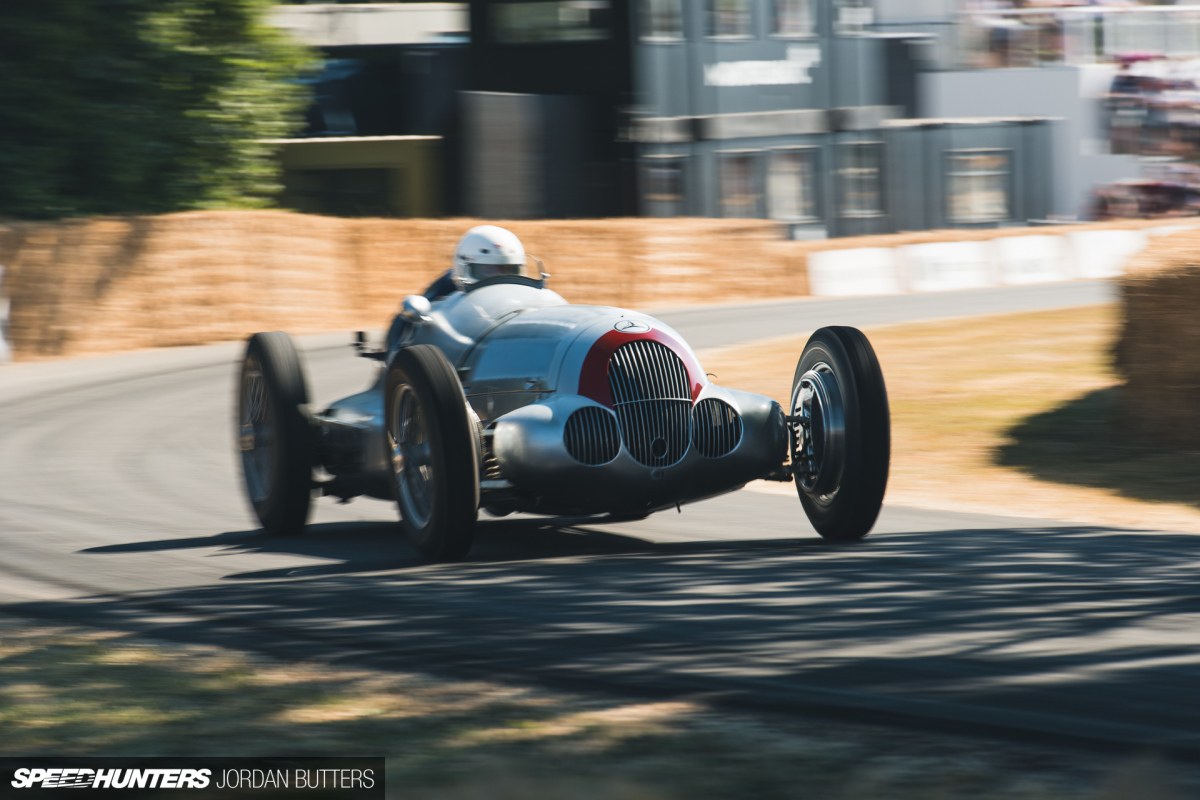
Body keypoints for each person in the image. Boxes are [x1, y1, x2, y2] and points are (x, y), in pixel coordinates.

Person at [386, 225, 530, 354]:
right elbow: (410, 314)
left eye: (509, 270)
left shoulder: (528, 293)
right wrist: (394, 354)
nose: (499, 278)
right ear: (462, 266)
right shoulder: (448, 283)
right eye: (488, 269)